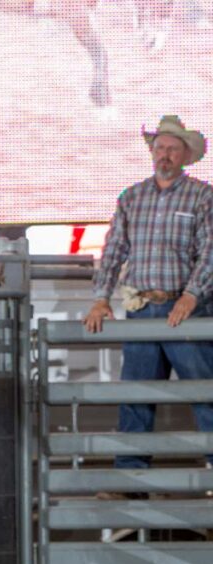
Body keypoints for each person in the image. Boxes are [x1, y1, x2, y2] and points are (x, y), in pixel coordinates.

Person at [84, 115, 213, 482]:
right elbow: (113, 251)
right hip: (141, 309)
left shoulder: (203, 196)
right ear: (152, 152)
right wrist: (101, 297)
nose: (165, 155)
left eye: (172, 149)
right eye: (160, 148)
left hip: (187, 311)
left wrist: (191, 295)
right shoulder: (132, 197)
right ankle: (130, 482)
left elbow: (210, 252)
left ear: (185, 155)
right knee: (135, 399)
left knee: (206, 395)